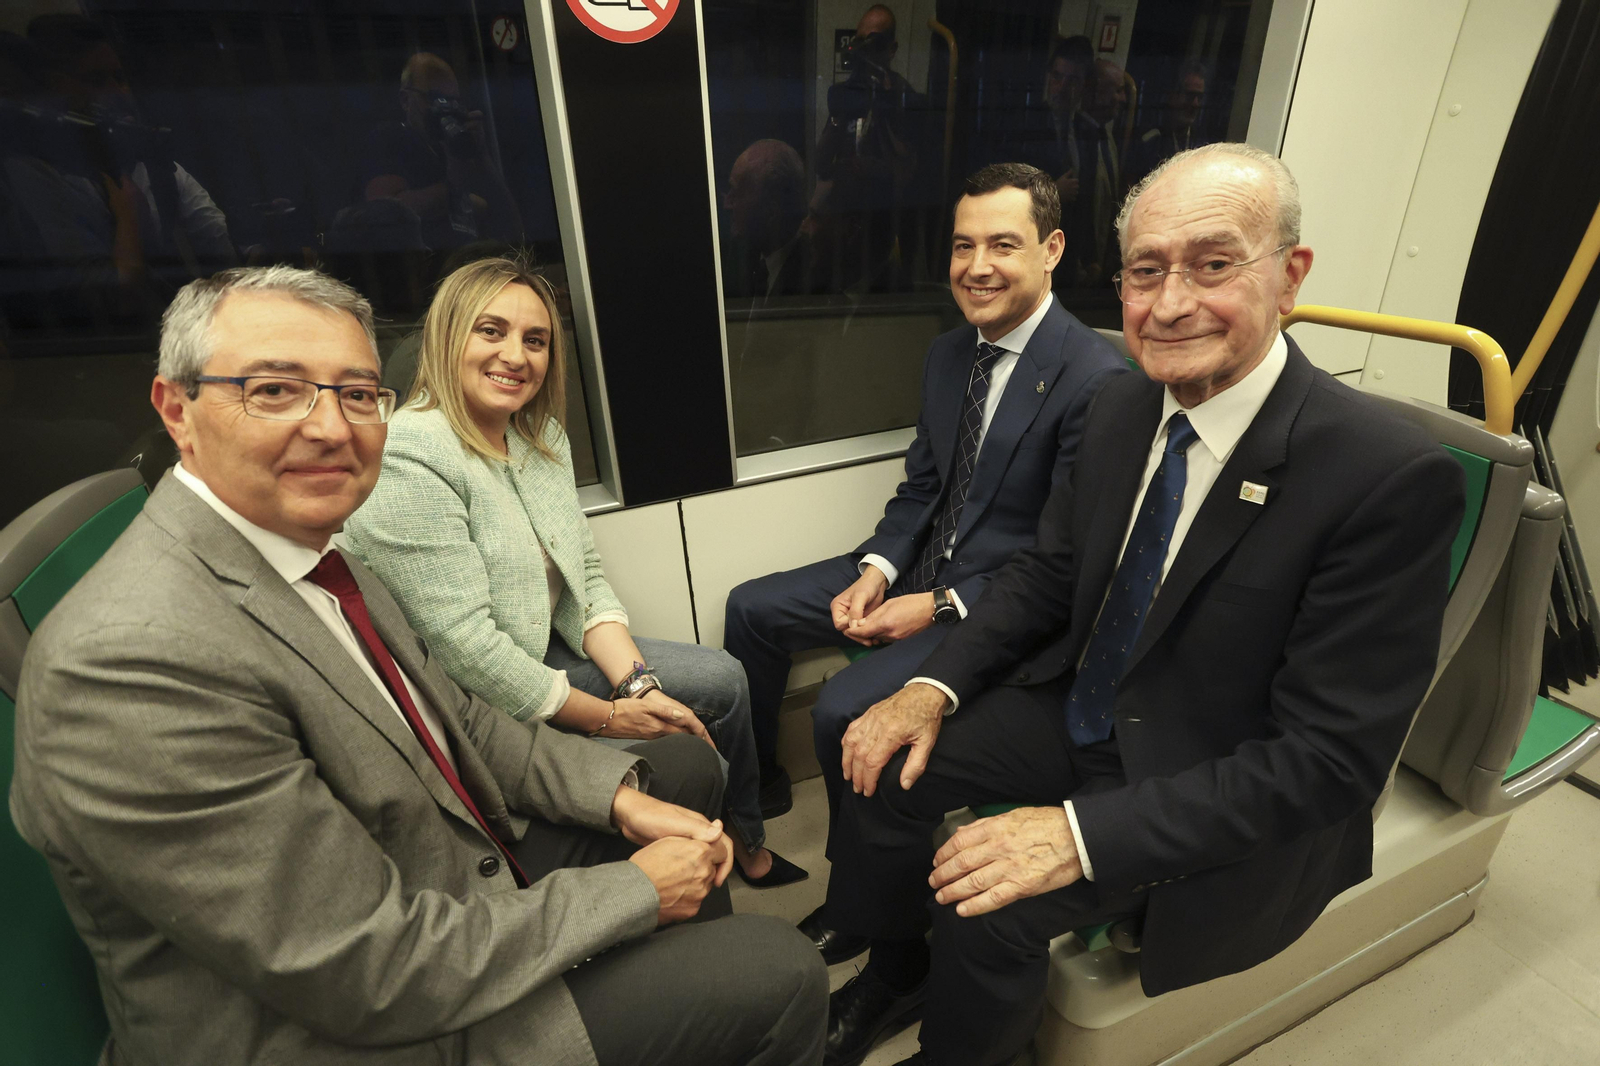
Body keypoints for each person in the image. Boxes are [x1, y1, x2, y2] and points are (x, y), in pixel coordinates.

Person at [8, 265, 827, 1066]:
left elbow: (459, 722)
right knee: (778, 972)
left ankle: (681, 1012)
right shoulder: (130, 660)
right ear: (177, 410)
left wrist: (614, 794)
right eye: (275, 389)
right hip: (363, 1019)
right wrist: (637, 891)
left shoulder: (320, 556)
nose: (332, 427)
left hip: (431, 868)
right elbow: (365, 968)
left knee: (671, 771)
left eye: (358, 393)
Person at [813, 143, 1466, 1066]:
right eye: (1145, 272)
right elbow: (1046, 575)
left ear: (1290, 277)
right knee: (873, 756)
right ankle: (895, 968)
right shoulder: (1122, 408)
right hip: (1083, 705)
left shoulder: (1383, 478)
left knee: (988, 908)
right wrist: (931, 689)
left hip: (1205, 757)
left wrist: (1077, 835)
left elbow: (1328, 762)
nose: (1168, 304)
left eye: (1212, 265)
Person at [722, 161, 1126, 952]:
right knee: (752, 608)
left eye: (1002, 245)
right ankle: (759, 793)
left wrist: (939, 605)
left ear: (1051, 250)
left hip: (992, 597)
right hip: (916, 567)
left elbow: (1060, 560)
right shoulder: (949, 356)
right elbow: (924, 489)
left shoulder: (1097, 381)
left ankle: (860, 901)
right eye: (962, 246)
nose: (976, 266)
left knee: (843, 714)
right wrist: (876, 571)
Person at [345, 256, 805, 888]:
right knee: (677, 755)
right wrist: (612, 717)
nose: (516, 355)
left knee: (722, 680)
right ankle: (691, 846)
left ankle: (745, 840)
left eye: (535, 340)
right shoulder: (410, 453)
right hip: (474, 696)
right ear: (450, 336)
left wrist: (637, 685)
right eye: (491, 331)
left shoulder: (542, 440)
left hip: (543, 652)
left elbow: (583, 576)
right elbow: (466, 650)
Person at [811, 4, 932, 292]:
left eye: (874, 41)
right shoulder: (848, 94)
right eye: (859, 40)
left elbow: (913, 173)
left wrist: (888, 106)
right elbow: (822, 164)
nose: (864, 48)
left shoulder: (905, 100)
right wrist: (839, 116)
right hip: (846, 224)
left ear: (891, 48)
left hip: (888, 224)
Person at [356, 52, 523, 253]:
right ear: (406, 100)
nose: (444, 108)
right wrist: (457, 193)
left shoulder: (453, 145)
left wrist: (482, 155)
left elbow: (513, 230)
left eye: (452, 101)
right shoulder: (390, 138)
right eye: (435, 99)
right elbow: (383, 212)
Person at [1125, 60, 1209, 189]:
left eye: (1200, 98)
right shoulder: (1149, 141)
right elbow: (1131, 188)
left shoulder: (1204, 145)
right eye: (1190, 96)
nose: (1195, 104)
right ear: (1172, 96)